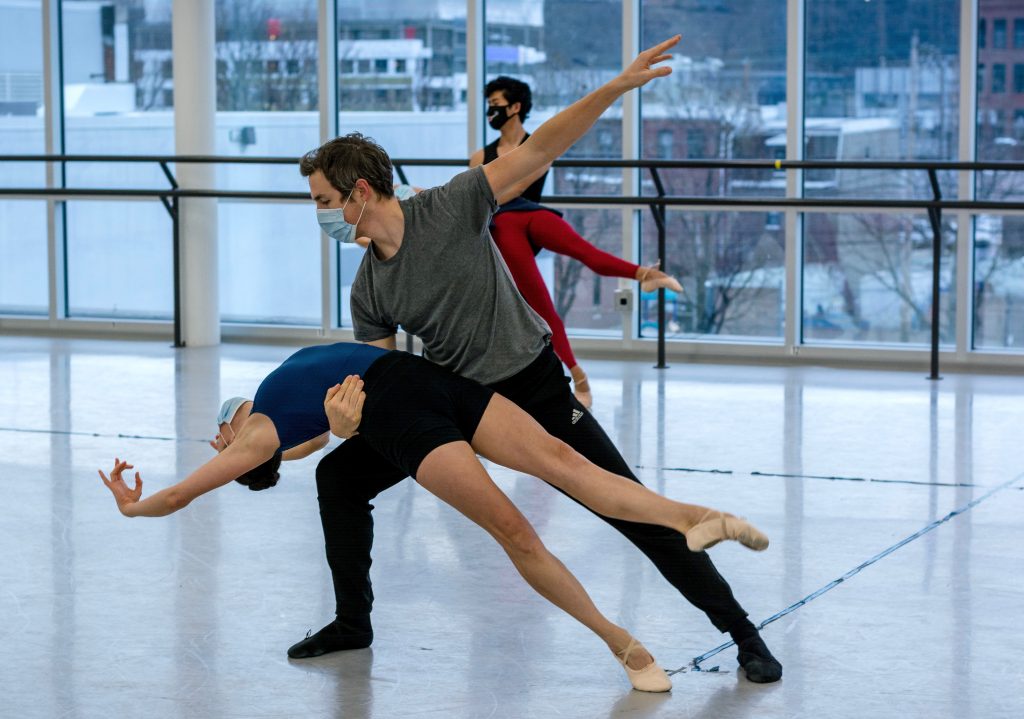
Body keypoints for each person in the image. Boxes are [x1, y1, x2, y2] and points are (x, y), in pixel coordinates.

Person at [298, 35, 783, 683]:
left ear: (359, 191)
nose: (320, 216)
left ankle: (745, 634)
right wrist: (347, 420)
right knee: (340, 476)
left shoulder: (450, 204)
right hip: (461, 405)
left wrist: (615, 86)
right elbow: (380, 378)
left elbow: (544, 145)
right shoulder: (368, 287)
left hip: (534, 388)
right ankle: (352, 620)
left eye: (323, 202)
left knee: (632, 509)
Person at [99, 342, 769, 692]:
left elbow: (318, 441)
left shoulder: (284, 431)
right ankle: (627, 635)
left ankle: (696, 519)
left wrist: (332, 429)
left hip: (415, 379)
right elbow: (187, 493)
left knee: (567, 462)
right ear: (231, 440)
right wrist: (138, 505)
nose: (224, 426)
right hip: (407, 395)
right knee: (520, 525)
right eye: (225, 431)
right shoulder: (257, 438)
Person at [469, 75, 684, 407]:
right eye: (489, 106)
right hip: (501, 225)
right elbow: (482, 196)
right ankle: (577, 375)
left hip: (530, 214)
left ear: (515, 108)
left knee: (585, 251)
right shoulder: (480, 156)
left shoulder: (538, 145)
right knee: (541, 304)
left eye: (496, 106)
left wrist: (495, 188)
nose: (490, 112)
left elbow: (513, 188)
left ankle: (646, 275)